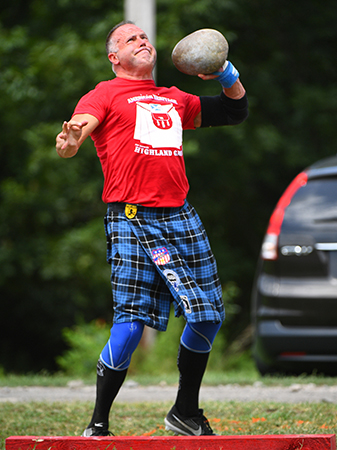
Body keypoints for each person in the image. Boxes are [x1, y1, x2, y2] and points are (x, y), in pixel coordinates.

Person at [55, 21, 248, 437]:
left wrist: (226, 75)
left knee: (210, 314)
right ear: (114, 57)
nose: (142, 41)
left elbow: (234, 111)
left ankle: (185, 411)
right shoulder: (103, 94)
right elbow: (80, 127)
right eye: (130, 39)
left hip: (180, 216)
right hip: (132, 217)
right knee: (130, 322)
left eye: (144, 37)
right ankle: (98, 423)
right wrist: (71, 140)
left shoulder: (172, 98)